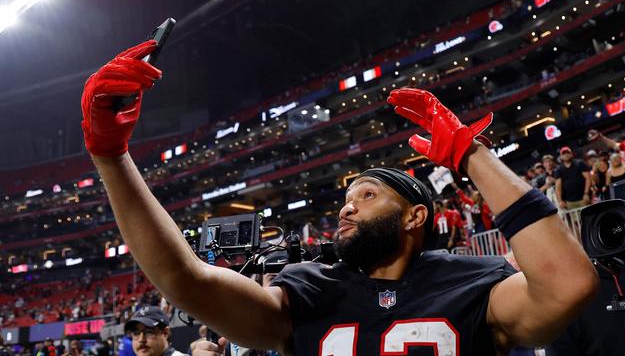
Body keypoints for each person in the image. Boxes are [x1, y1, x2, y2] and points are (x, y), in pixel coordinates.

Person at [81, 41, 598, 355]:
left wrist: (470, 154)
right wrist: (111, 156)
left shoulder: (473, 282)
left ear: (416, 215)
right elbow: (185, 279)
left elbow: (568, 285)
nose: (347, 207)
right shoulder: (308, 290)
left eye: (368, 195)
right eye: (347, 197)